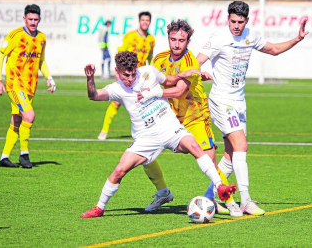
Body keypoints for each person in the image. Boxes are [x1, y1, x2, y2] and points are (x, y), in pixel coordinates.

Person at [80, 51, 236, 218]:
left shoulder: (148, 72)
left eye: (133, 73)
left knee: (195, 146)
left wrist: (185, 73)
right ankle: (99, 208)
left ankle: (220, 187)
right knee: (119, 170)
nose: (131, 78)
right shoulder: (117, 88)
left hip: (170, 127)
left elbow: (169, 80)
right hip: (146, 137)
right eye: (126, 75)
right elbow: (94, 95)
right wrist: (90, 79)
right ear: (117, 71)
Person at [196, 1, 309, 215]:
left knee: (231, 154)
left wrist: (297, 38)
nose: (236, 26)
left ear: (246, 20)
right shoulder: (219, 38)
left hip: (239, 102)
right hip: (222, 100)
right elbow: (196, 61)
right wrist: (198, 71)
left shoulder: (251, 36)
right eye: (232, 21)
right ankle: (245, 200)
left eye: (240, 22)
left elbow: (274, 50)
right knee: (241, 145)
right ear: (227, 19)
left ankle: (209, 197)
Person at [139, 19, 242, 217]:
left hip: (195, 116)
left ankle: (229, 201)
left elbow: (178, 91)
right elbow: (152, 82)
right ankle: (162, 192)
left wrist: (154, 92)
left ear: (188, 42)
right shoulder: (159, 59)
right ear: (168, 38)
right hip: (168, 117)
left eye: (181, 40)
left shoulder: (190, 61)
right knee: (143, 151)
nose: (176, 44)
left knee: (208, 161)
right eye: (173, 39)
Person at [0, 4, 56, 169]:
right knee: (29, 116)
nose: (33, 22)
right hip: (15, 85)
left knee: (16, 121)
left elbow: (41, 60)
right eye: (30, 19)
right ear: (24, 19)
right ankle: (24, 154)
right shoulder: (15, 35)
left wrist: (49, 77)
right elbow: (0, 56)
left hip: (30, 87)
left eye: (36, 19)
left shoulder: (41, 38)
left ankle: (4, 158)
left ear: (40, 19)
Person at [98, 11, 155, 141]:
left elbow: (150, 58)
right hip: (127, 76)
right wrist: (119, 73)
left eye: (147, 20)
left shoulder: (152, 39)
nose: (145, 22)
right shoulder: (130, 36)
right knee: (116, 102)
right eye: (143, 20)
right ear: (139, 21)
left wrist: (152, 73)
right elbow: (120, 54)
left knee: (145, 102)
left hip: (140, 77)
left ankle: (146, 132)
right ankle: (104, 131)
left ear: (150, 22)